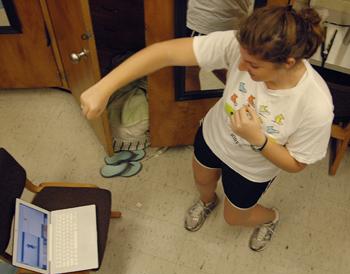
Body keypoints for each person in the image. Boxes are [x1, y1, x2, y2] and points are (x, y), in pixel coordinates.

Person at [80, 5, 333, 251]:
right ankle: (207, 202)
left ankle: (270, 218)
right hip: (213, 137)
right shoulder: (242, 47)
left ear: (288, 63)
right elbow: (165, 52)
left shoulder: (316, 105)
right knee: (202, 181)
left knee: (235, 218)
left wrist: (258, 139)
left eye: (253, 65)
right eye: (242, 58)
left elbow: (296, 163)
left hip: (251, 168)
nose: (240, 67)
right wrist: (104, 87)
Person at [185, 0, 251, 90]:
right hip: (232, 17)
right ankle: (244, 93)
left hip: (207, 18)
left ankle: (244, 93)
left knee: (189, 69)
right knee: (216, 60)